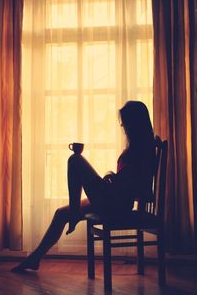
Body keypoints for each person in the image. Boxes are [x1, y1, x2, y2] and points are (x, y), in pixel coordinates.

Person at [11, 101, 155, 273]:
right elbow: (128, 179)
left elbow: (139, 187)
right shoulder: (139, 148)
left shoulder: (142, 151)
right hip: (112, 199)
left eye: (125, 123)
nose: (123, 127)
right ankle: (35, 258)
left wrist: (115, 183)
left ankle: (73, 212)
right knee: (60, 213)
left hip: (115, 204)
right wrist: (114, 179)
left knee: (75, 160)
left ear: (135, 123)